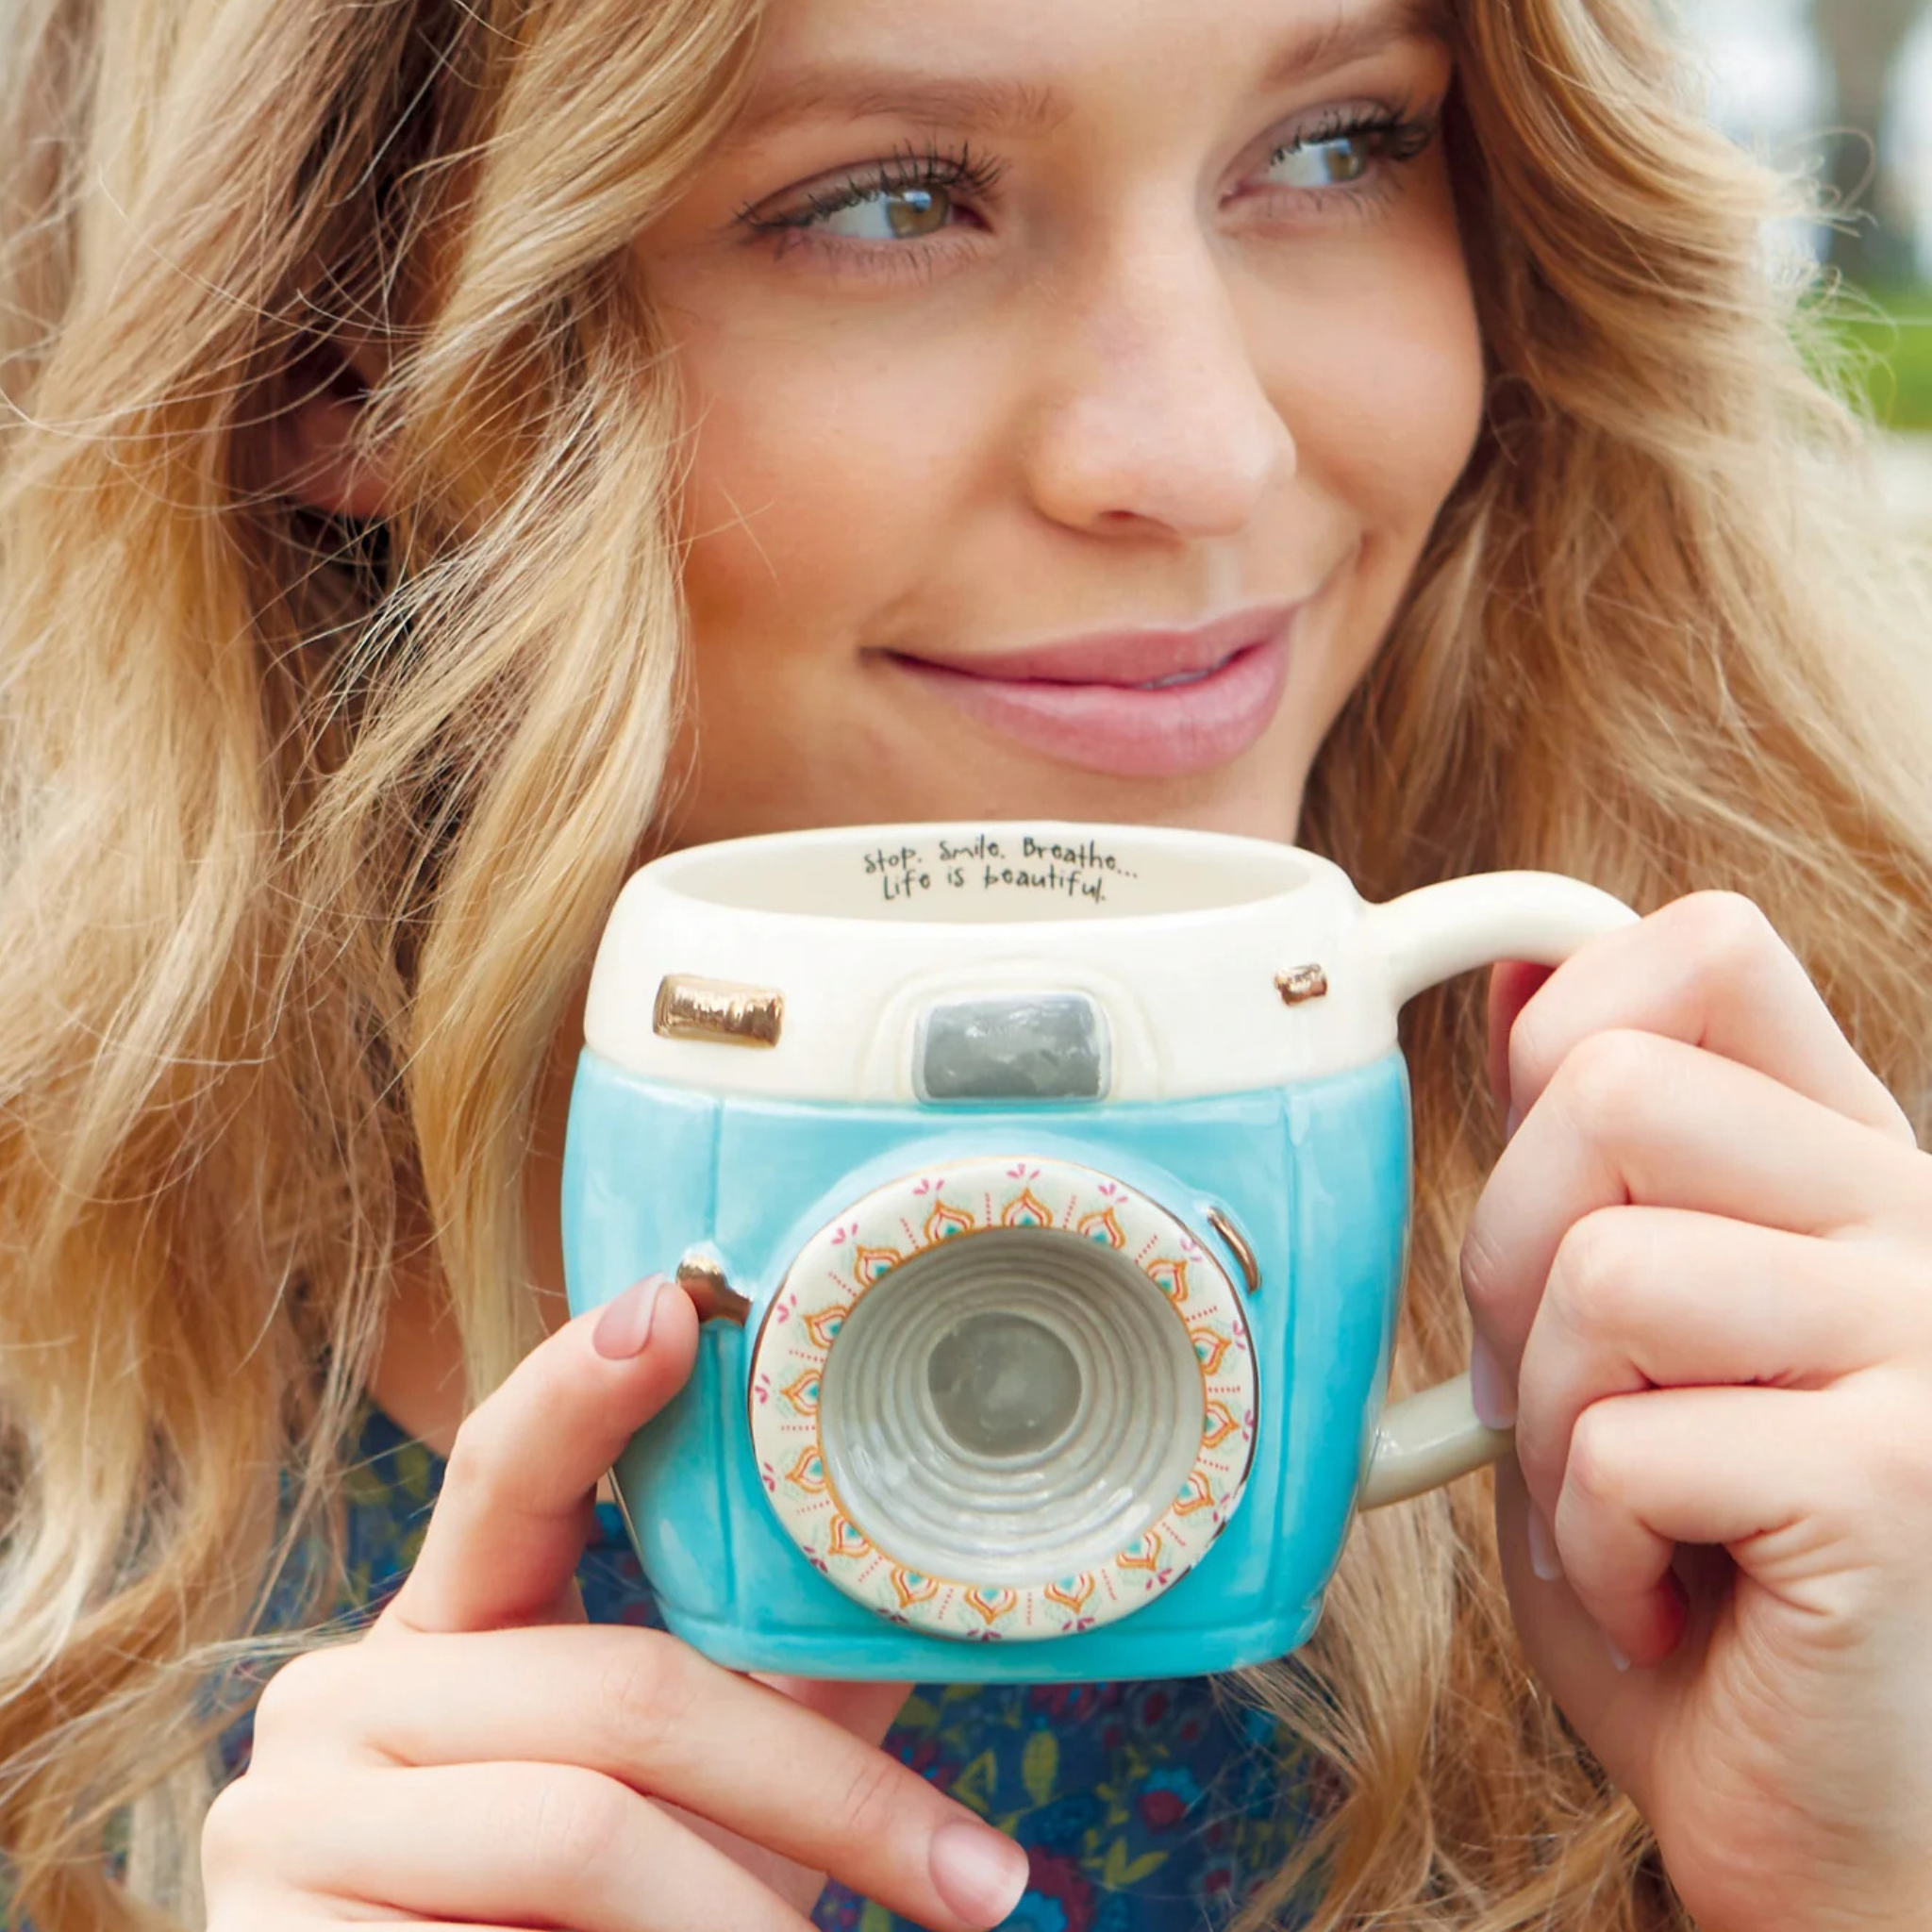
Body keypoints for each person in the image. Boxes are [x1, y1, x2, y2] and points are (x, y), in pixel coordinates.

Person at [2, 0, 1930, 1924]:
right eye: (889, 200)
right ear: (336, 365)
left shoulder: (1849, 1265)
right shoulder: (52, 1446)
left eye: (1341, 145)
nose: (1206, 451)